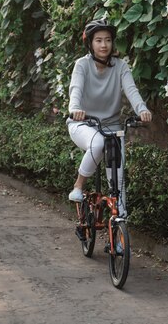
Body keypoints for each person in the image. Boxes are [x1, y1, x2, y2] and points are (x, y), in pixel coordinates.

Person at [66, 19, 152, 202]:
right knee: (97, 143)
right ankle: (78, 185)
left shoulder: (121, 66)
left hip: (111, 125)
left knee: (118, 181)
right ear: (90, 43)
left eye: (107, 40)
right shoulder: (82, 65)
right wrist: (74, 109)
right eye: (98, 40)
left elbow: (132, 91)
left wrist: (142, 110)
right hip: (83, 123)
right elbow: (76, 90)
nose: (104, 45)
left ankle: (120, 220)